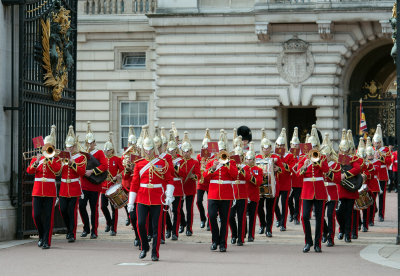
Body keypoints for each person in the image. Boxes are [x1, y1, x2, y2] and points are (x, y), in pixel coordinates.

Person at [127, 125, 174, 261]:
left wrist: (169, 195)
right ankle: (144, 247)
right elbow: (134, 184)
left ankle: (155, 252)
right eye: (145, 150)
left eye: (150, 149)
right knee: (140, 223)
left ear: (154, 149)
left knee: (156, 227)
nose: (148, 152)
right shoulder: (139, 164)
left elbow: (169, 180)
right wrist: (131, 202)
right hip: (141, 197)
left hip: (157, 198)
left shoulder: (162, 162)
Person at [26, 125, 61, 249]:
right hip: (37, 191)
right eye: (45, 146)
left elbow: (57, 170)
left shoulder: (55, 159)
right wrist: (37, 161)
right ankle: (41, 235)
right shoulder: (37, 158)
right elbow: (29, 171)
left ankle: (47, 241)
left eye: (49, 147)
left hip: (50, 192)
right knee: (36, 215)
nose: (47, 148)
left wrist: (50, 158)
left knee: (48, 217)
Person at [203, 129, 238, 252]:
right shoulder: (211, 162)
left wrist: (227, 164)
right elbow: (205, 177)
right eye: (219, 151)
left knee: (224, 220)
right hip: (213, 193)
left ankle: (223, 243)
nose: (220, 153)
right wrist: (213, 168)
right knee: (212, 216)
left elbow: (235, 175)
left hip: (226, 194)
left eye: (223, 151)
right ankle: (215, 240)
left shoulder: (231, 162)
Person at [296, 125, 329, 253]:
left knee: (320, 218)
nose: (313, 149)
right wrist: (305, 165)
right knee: (304, 217)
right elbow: (298, 174)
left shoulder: (323, 157)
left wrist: (318, 161)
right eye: (312, 147)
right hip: (307, 191)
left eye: (315, 146)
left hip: (319, 190)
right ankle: (308, 242)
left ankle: (317, 243)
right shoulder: (303, 158)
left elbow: (327, 170)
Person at [79, 121, 108, 239]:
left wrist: (92, 171)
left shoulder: (99, 153)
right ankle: (86, 227)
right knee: (81, 207)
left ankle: (94, 230)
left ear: (94, 143)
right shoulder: (82, 153)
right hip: (84, 185)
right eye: (87, 142)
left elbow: (104, 166)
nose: (90, 144)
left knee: (93, 209)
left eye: (91, 142)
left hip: (95, 186)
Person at [59, 126, 87, 243]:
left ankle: (72, 233)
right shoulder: (62, 156)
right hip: (64, 188)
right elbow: (58, 171)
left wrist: (72, 164)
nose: (69, 149)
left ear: (75, 146)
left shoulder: (81, 157)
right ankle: (68, 228)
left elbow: (81, 172)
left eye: (71, 147)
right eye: (67, 146)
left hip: (74, 188)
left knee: (72, 211)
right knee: (63, 210)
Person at [256, 129, 283, 237]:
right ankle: (262, 224)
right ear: (262, 148)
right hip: (260, 186)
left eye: (268, 148)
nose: (266, 150)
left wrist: (277, 168)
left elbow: (282, 170)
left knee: (270, 209)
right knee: (259, 207)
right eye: (264, 148)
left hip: (271, 186)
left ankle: (269, 229)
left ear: (270, 148)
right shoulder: (257, 158)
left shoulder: (275, 158)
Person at [336, 129, 361, 243]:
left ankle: (347, 234)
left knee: (348, 213)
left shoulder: (353, 158)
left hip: (350, 190)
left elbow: (358, 169)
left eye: (345, 149)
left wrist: (345, 174)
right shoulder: (337, 159)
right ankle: (341, 229)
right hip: (341, 189)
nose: (344, 152)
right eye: (342, 149)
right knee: (339, 212)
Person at [101, 132, 124, 236]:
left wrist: (117, 176)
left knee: (114, 208)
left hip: (113, 186)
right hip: (103, 187)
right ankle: (108, 222)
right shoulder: (103, 160)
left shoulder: (116, 159)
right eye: (105, 150)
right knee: (103, 207)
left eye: (108, 150)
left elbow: (123, 171)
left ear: (112, 150)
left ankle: (113, 229)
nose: (106, 152)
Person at [229, 135, 249, 246]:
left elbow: (247, 177)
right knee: (230, 216)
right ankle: (234, 234)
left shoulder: (245, 167)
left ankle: (241, 238)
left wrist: (240, 169)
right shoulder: (230, 165)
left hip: (242, 194)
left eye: (240, 156)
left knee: (241, 217)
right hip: (232, 194)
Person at [320, 133, 340, 247]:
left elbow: (337, 179)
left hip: (331, 191)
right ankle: (324, 232)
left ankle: (331, 238)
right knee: (320, 215)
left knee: (330, 215)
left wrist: (328, 171)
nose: (324, 157)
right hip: (322, 191)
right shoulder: (318, 164)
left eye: (325, 155)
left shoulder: (335, 165)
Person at [122, 126, 140, 246]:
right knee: (133, 216)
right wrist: (128, 169)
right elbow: (124, 175)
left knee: (142, 217)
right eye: (130, 143)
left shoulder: (141, 156)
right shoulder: (125, 156)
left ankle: (144, 235)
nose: (132, 145)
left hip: (141, 189)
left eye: (134, 143)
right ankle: (137, 237)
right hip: (130, 187)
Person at [180, 131, 201, 236]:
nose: (185, 153)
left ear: (191, 151)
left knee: (189, 209)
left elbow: (199, 175)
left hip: (190, 188)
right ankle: (182, 223)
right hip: (180, 188)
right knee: (178, 208)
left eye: (187, 151)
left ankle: (189, 228)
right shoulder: (179, 161)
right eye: (184, 151)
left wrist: (194, 176)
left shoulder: (195, 162)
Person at [274, 128, 295, 231]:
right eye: (278, 145)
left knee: (284, 204)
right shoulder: (274, 155)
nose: (280, 147)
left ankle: (283, 224)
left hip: (286, 182)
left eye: (281, 145)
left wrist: (280, 164)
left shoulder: (289, 155)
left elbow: (292, 168)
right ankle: (278, 218)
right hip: (276, 183)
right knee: (274, 204)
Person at [167, 130, 185, 240]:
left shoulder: (180, 159)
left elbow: (183, 173)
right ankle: (168, 228)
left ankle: (175, 232)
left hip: (177, 186)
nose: (171, 152)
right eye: (169, 150)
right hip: (167, 186)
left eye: (173, 150)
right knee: (165, 209)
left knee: (176, 210)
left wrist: (175, 166)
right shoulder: (164, 159)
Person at [372, 124, 391, 222]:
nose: (376, 144)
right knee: (372, 195)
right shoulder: (370, 149)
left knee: (381, 196)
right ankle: (374, 208)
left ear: (380, 142)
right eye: (375, 142)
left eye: (378, 142)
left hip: (382, 175)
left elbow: (389, 161)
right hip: (374, 175)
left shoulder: (386, 150)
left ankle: (381, 215)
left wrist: (380, 157)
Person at [245, 142, 263, 242]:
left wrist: (249, 175)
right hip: (244, 196)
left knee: (252, 217)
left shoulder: (258, 170)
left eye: (250, 159)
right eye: (247, 159)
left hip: (253, 196)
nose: (248, 161)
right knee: (243, 216)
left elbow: (258, 182)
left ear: (254, 160)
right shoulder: (243, 168)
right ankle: (244, 232)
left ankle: (251, 235)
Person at [196, 128, 214, 230]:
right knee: (198, 201)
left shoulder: (213, 157)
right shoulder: (199, 156)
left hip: (210, 181)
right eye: (204, 147)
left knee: (209, 202)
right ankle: (203, 218)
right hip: (201, 181)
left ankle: (209, 220)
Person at [288, 127, 302, 225]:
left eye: (297, 145)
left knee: (297, 200)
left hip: (298, 180)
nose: (295, 146)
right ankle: (292, 213)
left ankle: (296, 216)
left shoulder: (302, 155)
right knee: (289, 199)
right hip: (290, 180)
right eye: (293, 144)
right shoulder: (288, 154)